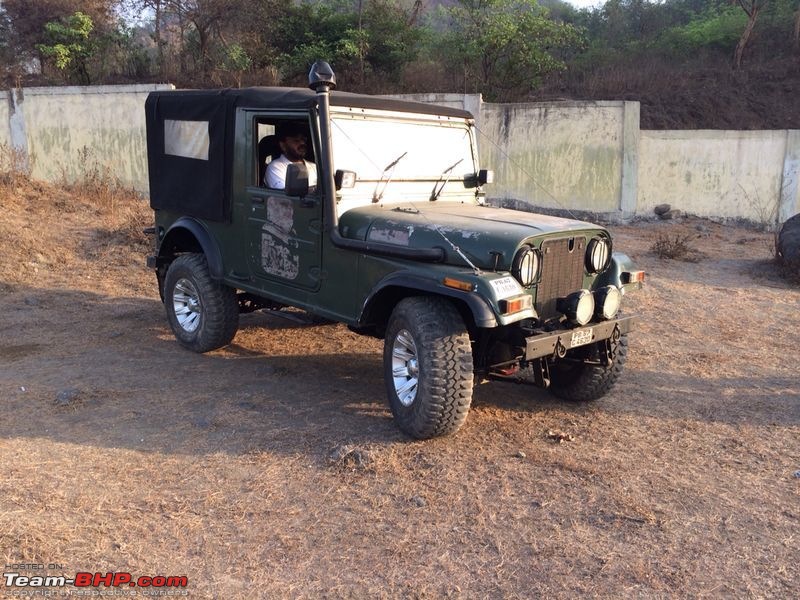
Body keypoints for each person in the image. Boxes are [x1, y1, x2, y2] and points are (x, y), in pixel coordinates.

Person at [264, 122, 318, 190]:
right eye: (296, 140)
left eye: (303, 140)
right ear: (283, 145)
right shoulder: (275, 167)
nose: (302, 143)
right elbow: (287, 194)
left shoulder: (314, 167)